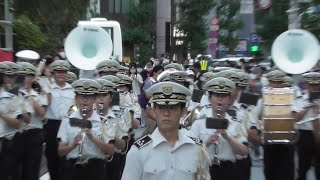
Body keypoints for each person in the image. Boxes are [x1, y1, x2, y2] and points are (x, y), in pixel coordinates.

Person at [122, 81, 211, 180]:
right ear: (154, 110)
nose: (166, 113)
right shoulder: (139, 151)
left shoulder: (196, 149)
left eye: (172, 108)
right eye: (161, 107)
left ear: (183, 111)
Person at [188, 77, 249, 180]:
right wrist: (206, 143)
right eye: (216, 96)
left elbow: (244, 151)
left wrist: (228, 137)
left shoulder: (236, 123)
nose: (220, 99)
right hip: (205, 170)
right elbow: (189, 149)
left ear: (229, 100)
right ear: (210, 98)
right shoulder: (199, 122)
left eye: (224, 96)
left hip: (229, 170)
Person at [57, 79, 115, 180]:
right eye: (81, 96)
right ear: (76, 99)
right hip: (72, 168)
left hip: (96, 168)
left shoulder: (105, 121)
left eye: (89, 97)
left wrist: (93, 138)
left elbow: (111, 150)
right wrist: (73, 145)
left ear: (94, 99)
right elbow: (60, 151)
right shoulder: (68, 120)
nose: (85, 100)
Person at [14, 62, 48, 180]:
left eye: (28, 76)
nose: (25, 78)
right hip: (17, 134)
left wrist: (29, 96)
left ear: (33, 78)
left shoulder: (39, 94)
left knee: (32, 169)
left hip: (34, 134)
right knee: (15, 170)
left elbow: (41, 113)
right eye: (22, 75)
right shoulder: (14, 92)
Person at [45, 60, 75, 180]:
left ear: (67, 74)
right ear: (53, 73)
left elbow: (75, 107)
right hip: (52, 125)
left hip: (67, 124)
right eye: (58, 72)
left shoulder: (73, 90)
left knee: (66, 156)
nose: (61, 74)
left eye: (63, 72)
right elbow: (45, 105)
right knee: (51, 155)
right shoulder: (48, 89)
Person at [262, 69, 295, 180]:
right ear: (269, 82)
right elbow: (253, 116)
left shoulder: (291, 96)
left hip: (286, 142)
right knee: (270, 172)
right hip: (269, 140)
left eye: (279, 82)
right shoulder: (262, 97)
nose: (276, 85)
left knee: (287, 172)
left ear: (283, 83)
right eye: (273, 82)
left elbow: (296, 117)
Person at [294, 72, 320, 180]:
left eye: (317, 84)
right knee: (303, 167)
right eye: (311, 84)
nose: (314, 87)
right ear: (305, 84)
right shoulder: (299, 98)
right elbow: (295, 119)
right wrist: (308, 106)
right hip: (305, 136)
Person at [0, 62, 23, 180]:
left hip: (8, 143)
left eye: (12, 76)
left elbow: (17, 123)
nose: (10, 79)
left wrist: (2, 114)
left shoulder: (15, 97)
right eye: (7, 76)